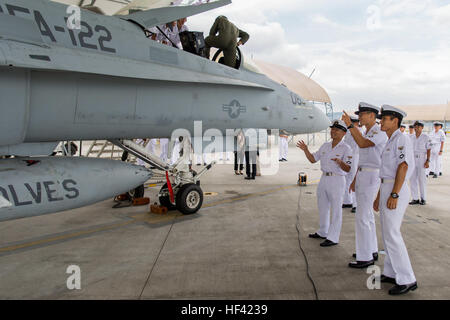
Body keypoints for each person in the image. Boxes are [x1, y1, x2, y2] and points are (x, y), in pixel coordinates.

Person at [373, 105, 417, 296]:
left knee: (392, 233)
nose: (381, 122)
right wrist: (378, 196)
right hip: (386, 187)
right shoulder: (391, 139)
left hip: (395, 188)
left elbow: (403, 167)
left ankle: (407, 278)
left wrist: (394, 194)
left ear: (395, 121)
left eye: (384, 119)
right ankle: (392, 272)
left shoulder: (402, 139)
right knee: (387, 232)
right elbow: (385, 172)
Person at [342, 102, 387, 269]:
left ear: (372, 116)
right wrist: (354, 179)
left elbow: (362, 144)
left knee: (362, 217)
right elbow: (362, 157)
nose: (359, 117)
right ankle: (371, 250)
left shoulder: (379, 131)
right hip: (363, 174)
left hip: (372, 175)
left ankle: (364, 256)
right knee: (366, 216)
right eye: (359, 114)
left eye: (362, 114)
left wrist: (349, 125)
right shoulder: (366, 131)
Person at [297, 120, 353, 247]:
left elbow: (348, 169)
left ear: (344, 133)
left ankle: (333, 237)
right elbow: (312, 160)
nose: (333, 131)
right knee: (322, 206)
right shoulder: (325, 146)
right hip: (324, 179)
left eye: (337, 129)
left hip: (337, 180)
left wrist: (340, 162)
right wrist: (306, 150)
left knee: (336, 209)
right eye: (332, 129)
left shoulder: (346, 148)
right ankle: (323, 231)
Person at [409, 121, 431, 206]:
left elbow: (429, 149)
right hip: (412, 158)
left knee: (422, 179)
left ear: (422, 128)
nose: (416, 128)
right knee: (412, 179)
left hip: (422, 158)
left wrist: (428, 160)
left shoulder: (426, 137)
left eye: (418, 127)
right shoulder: (411, 137)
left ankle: (423, 198)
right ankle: (415, 198)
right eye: (415, 127)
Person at [342, 115, 361, 213]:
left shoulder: (358, 131)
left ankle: (356, 204)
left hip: (355, 156)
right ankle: (347, 201)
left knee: (354, 178)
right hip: (348, 156)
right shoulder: (349, 131)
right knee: (347, 178)